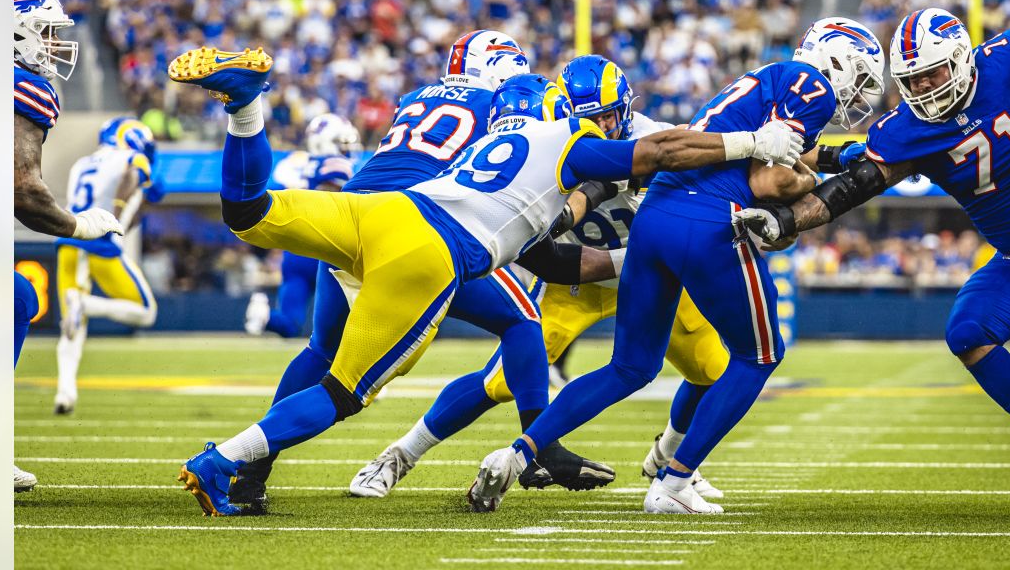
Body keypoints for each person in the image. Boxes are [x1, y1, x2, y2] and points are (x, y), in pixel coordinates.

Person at [167, 41, 801, 516]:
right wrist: (750, 142)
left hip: (380, 211)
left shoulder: (505, 139)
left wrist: (626, 259)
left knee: (248, 213)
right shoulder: (571, 143)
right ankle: (224, 461)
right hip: (426, 253)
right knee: (342, 392)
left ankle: (246, 107)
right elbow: (655, 154)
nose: (614, 127)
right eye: (606, 118)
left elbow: (550, 262)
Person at [467, 17, 883, 515]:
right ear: (836, 59)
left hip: (657, 215)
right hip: (707, 220)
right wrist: (812, 187)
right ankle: (675, 480)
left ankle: (516, 454)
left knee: (629, 367)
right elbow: (771, 181)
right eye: (858, 74)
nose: (857, 91)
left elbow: (792, 147)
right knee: (759, 355)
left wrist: (831, 158)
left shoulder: (770, 78)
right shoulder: (810, 84)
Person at [734, 8, 1010, 515]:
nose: (924, 88)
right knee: (968, 332)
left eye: (932, 73)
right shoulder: (907, 129)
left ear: (961, 59)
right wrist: (787, 222)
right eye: (911, 80)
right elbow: (851, 189)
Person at [348, 56, 733, 501]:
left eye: (608, 117)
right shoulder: (554, 145)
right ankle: (398, 457)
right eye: (588, 119)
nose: (601, 128)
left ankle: (669, 458)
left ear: (625, 109)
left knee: (712, 370)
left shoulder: (654, 139)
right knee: (501, 382)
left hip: (655, 278)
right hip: (576, 284)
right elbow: (558, 227)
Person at [13, 0, 124, 489]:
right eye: (45, 32)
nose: (55, 45)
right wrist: (78, 225)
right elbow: (23, 192)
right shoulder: (19, 87)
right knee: (12, 297)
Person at [53, 117, 160, 415]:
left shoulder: (82, 162)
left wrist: (138, 205)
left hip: (69, 243)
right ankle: (86, 304)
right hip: (101, 243)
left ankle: (65, 393)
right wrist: (119, 210)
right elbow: (131, 177)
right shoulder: (131, 157)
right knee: (146, 311)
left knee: (71, 327)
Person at [245, 114, 363, 338]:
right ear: (325, 142)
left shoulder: (297, 163)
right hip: (326, 252)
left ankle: (264, 315)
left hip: (296, 253)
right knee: (341, 329)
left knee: (289, 324)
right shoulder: (335, 166)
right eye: (342, 142)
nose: (348, 148)